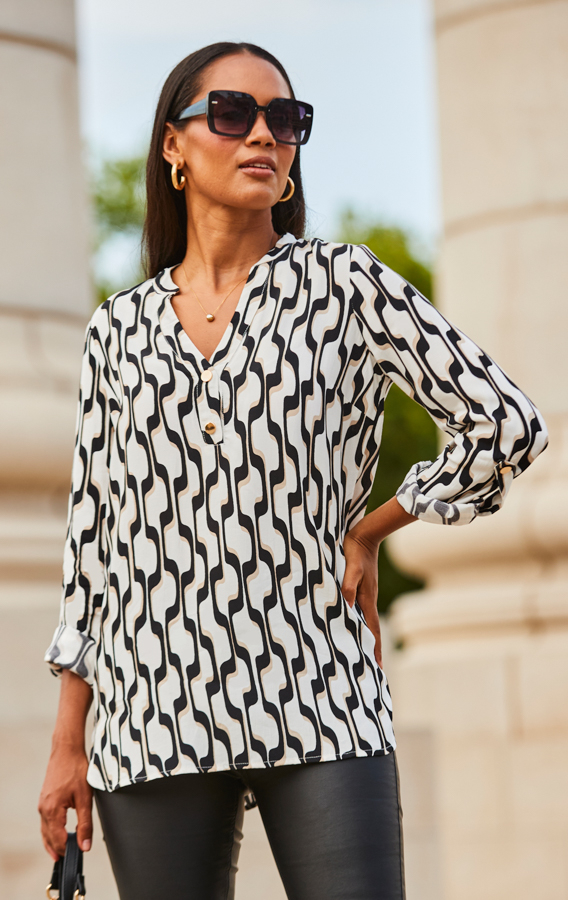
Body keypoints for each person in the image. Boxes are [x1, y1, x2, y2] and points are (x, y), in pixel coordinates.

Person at [38, 41, 547, 900]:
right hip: (151, 712)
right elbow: (96, 545)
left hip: (319, 691)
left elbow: (505, 422)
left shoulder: (345, 285)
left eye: (286, 120)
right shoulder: (114, 332)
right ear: (174, 145)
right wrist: (68, 740)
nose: (264, 136)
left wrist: (375, 524)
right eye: (233, 114)